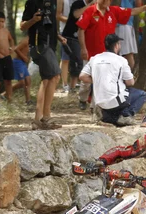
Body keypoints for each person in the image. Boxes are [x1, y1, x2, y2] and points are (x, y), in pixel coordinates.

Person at [76, 0, 146, 110]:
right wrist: (83, 48)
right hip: (91, 53)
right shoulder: (89, 12)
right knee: (86, 80)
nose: (106, 2)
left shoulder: (114, 11)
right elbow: (81, 30)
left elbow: (131, 11)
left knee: (103, 80)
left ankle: (95, 106)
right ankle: (82, 99)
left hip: (108, 55)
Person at [79, 34, 146, 126]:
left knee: (112, 117)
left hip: (99, 102)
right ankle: (126, 115)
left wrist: (98, 80)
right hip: (116, 101)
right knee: (142, 95)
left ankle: (109, 117)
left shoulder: (94, 58)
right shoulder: (121, 60)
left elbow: (82, 76)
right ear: (116, 45)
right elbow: (130, 82)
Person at [21, 0, 65, 129]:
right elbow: (22, 26)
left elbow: (49, 25)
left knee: (47, 79)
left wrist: (58, 36)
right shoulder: (32, 2)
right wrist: (33, 20)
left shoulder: (52, 2)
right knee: (54, 76)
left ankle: (40, 119)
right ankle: (43, 117)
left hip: (50, 45)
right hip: (39, 44)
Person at [60, 0, 88, 92]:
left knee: (78, 61)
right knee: (75, 61)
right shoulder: (78, 3)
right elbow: (76, 15)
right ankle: (70, 86)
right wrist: (91, 5)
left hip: (80, 37)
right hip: (70, 36)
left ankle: (73, 85)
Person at [115, 0, 141, 70]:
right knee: (117, 53)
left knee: (128, 53)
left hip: (125, 25)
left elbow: (139, 4)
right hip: (115, 23)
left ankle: (130, 76)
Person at [11, 35, 34, 105]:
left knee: (28, 81)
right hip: (18, 62)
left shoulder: (31, 41)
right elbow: (16, 49)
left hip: (23, 63)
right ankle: (4, 94)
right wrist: (24, 57)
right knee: (21, 83)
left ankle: (28, 100)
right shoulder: (25, 41)